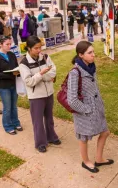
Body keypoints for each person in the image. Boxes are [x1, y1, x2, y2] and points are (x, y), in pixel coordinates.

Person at [67, 41, 113, 173]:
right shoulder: (75, 73)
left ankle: (99, 159)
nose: (94, 55)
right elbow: (72, 100)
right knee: (84, 138)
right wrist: (87, 110)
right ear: (80, 55)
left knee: (105, 132)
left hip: (96, 108)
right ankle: (86, 161)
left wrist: (98, 105)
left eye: (93, 51)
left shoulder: (91, 67)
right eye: (90, 52)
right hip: (84, 112)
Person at [19, 36, 59, 152]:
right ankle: (40, 142)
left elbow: (53, 72)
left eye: (40, 47)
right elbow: (29, 82)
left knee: (49, 118)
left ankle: (51, 137)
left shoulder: (46, 57)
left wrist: (42, 77)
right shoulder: (24, 64)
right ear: (29, 48)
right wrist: (41, 74)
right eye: (36, 48)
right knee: (37, 121)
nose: (39, 50)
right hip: (36, 96)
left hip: (49, 93)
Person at [0, 36, 22, 135]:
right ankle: (8, 126)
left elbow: (16, 67)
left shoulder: (11, 54)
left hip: (13, 84)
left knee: (14, 106)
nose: (9, 46)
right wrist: (11, 75)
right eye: (7, 44)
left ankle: (16, 122)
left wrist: (18, 72)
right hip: (3, 86)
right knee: (7, 107)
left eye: (10, 44)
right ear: (0, 44)